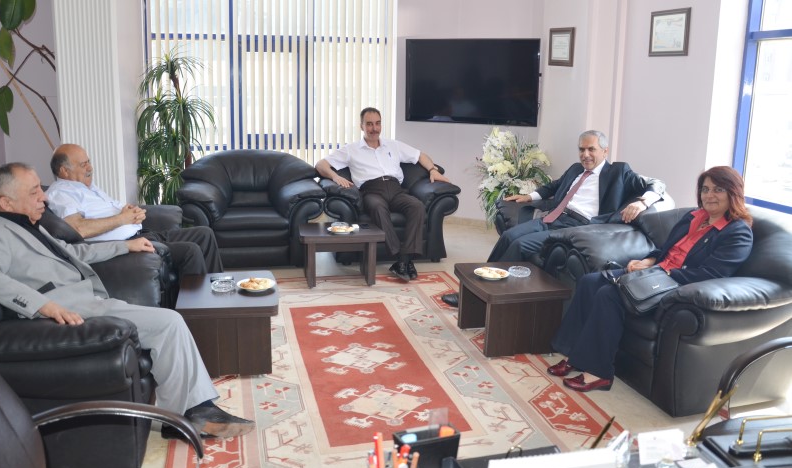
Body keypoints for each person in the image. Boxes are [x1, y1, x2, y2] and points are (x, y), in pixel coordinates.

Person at [0, 163, 253, 438]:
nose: (43, 196)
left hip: (86, 300)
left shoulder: (29, 226)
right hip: (69, 309)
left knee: (168, 324)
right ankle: (193, 414)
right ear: (5, 202)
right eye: (34, 192)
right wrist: (42, 305)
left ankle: (192, 411)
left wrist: (125, 246)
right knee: (169, 322)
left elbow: (73, 252)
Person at [547, 166, 753, 392]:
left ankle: (599, 372)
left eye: (718, 189)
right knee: (591, 282)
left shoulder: (737, 232)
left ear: (733, 192)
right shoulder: (693, 217)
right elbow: (666, 250)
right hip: (656, 273)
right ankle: (573, 356)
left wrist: (664, 273)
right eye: (705, 189)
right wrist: (648, 261)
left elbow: (712, 274)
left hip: (676, 285)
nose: (709, 195)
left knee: (609, 293)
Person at [442, 130, 666, 307]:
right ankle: (472, 291)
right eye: (581, 149)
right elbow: (554, 186)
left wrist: (642, 202)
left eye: (591, 149)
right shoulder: (576, 169)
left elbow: (657, 184)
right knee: (509, 236)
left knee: (520, 245)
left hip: (577, 226)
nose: (585, 154)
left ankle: (481, 300)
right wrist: (529, 196)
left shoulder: (619, 171)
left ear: (605, 151)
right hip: (553, 217)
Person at [315, 107, 452, 281]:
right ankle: (401, 258)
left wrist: (433, 170)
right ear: (361, 126)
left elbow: (420, 156)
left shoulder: (393, 145)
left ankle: (403, 260)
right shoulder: (351, 149)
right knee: (378, 208)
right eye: (369, 124)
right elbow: (321, 164)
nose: (374, 128)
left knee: (417, 206)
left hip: (396, 190)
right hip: (372, 191)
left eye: (377, 123)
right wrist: (335, 176)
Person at [45, 143, 223, 275]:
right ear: (64, 171)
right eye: (83, 164)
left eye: (89, 162)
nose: (90, 167)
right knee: (190, 251)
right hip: (125, 246)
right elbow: (78, 229)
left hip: (142, 234)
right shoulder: (60, 193)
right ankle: (197, 310)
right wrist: (123, 219)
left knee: (204, 234)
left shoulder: (88, 188)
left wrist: (132, 213)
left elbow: (116, 210)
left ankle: (218, 291)